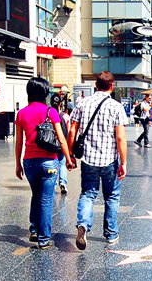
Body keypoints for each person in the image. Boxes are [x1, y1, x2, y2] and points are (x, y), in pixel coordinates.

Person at [67, 70, 128, 249]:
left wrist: (70, 154)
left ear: (95, 86)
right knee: (111, 196)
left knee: (88, 194)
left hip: (88, 159)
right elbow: (121, 138)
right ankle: (111, 234)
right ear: (112, 86)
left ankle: (83, 225)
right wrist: (123, 162)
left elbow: (72, 130)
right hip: (110, 159)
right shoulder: (116, 107)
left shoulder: (83, 103)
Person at [15, 77, 75, 249]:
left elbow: (19, 142)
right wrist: (68, 159)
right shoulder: (51, 112)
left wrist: (17, 164)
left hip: (29, 162)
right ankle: (43, 238)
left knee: (36, 194)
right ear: (45, 93)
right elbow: (62, 139)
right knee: (46, 199)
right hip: (49, 161)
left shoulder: (21, 114)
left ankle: (34, 229)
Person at [51, 93, 70, 194]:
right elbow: (69, 130)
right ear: (60, 105)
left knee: (54, 164)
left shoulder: (48, 114)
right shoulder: (65, 116)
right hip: (62, 144)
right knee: (62, 163)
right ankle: (63, 183)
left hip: (51, 144)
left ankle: (53, 185)